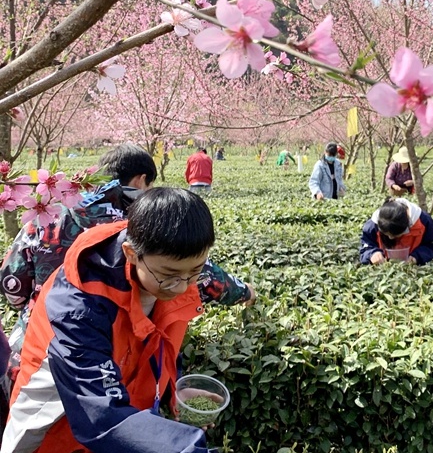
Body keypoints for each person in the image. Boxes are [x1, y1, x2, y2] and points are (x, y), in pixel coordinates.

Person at [0, 188, 275, 453]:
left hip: (127, 445)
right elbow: (99, 411)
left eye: (195, 272)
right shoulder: (77, 305)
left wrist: (174, 390)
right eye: (170, 275)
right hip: (57, 435)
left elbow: (154, 342)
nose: (182, 287)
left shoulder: (171, 260)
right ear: (132, 253)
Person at [0, 144, 255, 357]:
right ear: (141, 179)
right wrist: (245, 293)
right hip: (112, 352)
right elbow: (198, 275)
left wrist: (32, 306)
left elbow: (12, 283)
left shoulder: (48, 214)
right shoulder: (144, 221)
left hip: (35, 345)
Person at [359, 198, 433, 266]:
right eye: (386, 234)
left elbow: (431, 244)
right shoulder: (372, 225)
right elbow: (366, 244)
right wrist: (372, 254)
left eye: (395, 235)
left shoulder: (423, 221)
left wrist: (417, 257)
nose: (390, 238)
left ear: (407, 226)